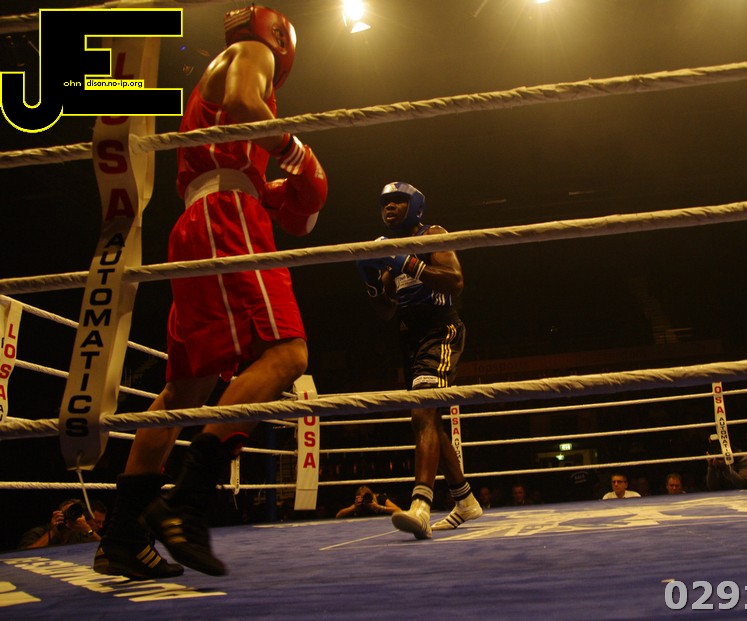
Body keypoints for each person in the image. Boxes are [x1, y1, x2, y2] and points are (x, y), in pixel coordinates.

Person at [94, 5, 327, 580]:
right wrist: (298, 156)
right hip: (227, 217)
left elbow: (236, 149)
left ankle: (121, 536)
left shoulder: (213, 77)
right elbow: (247, 106)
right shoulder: (254, 53)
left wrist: (274, 190)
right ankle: (186, 502)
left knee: (185, 390)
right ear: (278, 36)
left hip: (197, 222)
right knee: (288, 354)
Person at [355, 182, 481, 539]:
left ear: (415, 207)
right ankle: (465, 500)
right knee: (429, 420)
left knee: (422, 415)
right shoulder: (387, 252)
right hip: (409, 339)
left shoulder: (432, 235)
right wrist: (372, 285)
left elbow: (454, 281)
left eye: (398, 201)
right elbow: (386, 310)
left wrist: (408, 262)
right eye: (385, 203)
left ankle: (421, 506)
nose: (390, 207)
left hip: (440, 331)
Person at [19, 499, 100, 549]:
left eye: (75, 512)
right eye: (68, 512)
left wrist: (87, 529)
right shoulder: (39, 532)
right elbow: (24, 555)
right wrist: (52, 531)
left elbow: (104, 548)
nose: (71, 515)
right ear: (58, 513)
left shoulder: (79, 534)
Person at [335, 485, 401, 518]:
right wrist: (355, 507)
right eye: (362, 497)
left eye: (366, 497)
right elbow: (338, 515)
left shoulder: (381, 498)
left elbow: (398, 510)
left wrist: (379, 507)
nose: (365, 499)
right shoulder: (361, 503)